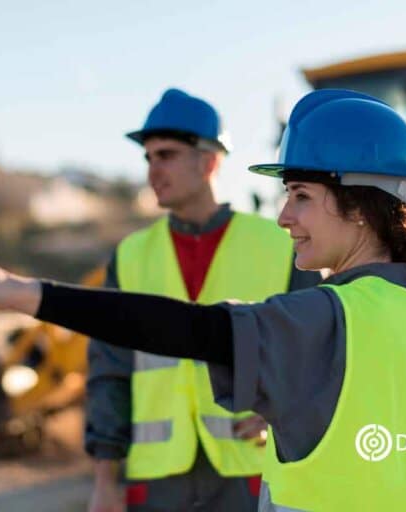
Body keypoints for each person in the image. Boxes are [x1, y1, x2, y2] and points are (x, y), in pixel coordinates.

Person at [0, 89, 406, 511]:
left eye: (301, 195)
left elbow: (181, 329)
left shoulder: (328, 319)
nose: (285, 216)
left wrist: (13, 291)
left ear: (362, 204)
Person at [86, 88, 321, 512]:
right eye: (149, 158)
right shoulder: (131, 256)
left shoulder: (280, 244)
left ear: (209, 161)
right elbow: (110, 369)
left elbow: (316, 351)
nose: (153, 170)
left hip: (250, 471)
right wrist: (105, 481)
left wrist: (283, 412)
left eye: (167, 156)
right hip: (156, 480)